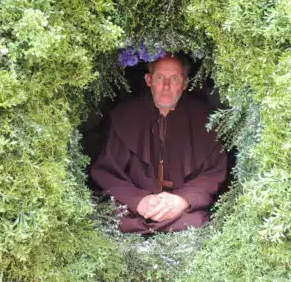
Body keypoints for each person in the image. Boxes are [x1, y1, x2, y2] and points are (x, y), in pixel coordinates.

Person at [91, 54, 228, 233]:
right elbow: (107, 171)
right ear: (149, 80)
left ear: (184, 84)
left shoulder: (205, 118)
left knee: (196, 220)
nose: (166, 86)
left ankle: (151, 226)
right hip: (136, 210)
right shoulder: (126, 115)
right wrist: (138, 201)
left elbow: (214, 173)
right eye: (160, 77)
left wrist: (183, 200)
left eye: (174, 78)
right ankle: (155, 224)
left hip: (182, 211)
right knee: (116, 218)